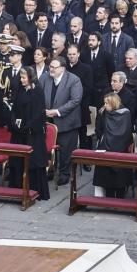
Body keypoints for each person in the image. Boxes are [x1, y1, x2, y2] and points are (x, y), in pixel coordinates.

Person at [8, 67, 49, 200]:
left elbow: (39, 113)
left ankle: (34, 190)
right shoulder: (19, 89)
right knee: (17, 161)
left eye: (24, 77)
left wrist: (28, 126)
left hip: (32, 134)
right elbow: (14, 108)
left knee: (33, 162)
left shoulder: (37, 91)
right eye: (20, 77)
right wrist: (14, 122)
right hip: (19, 133)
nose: (21, 80)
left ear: (30, 78)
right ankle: (16, 189)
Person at [41, 58, 82, 186]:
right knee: (48, 147)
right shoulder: (45, 77)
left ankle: (64, 174)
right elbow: (38, 94)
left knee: (66, 151)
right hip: (48, 121)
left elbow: (75, 100)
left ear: (62, 68)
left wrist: (57, 111)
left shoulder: (73, 80)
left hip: (67, 121)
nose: (51, 69)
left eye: (55, 67)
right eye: (50, 67)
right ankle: (50, 171)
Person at [93, 91, 133, 197]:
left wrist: (114, 141)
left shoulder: (125, 113)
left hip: (121, 149)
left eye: (107, 103)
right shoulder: (103, 112)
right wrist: (103, 139)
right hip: (105, 147)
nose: (105, 105)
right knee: (106, 179)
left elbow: (126, 132)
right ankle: (108, 197)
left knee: (120, 179)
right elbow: (98, 128)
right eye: (104, 103)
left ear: (113, 103)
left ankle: (120, 197)